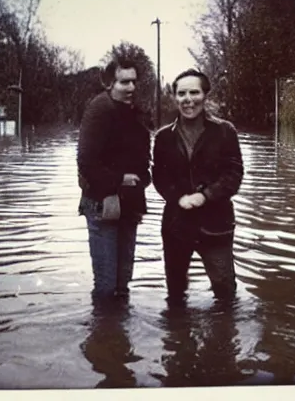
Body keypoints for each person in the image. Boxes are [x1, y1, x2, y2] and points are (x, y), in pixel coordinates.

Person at [152, 68, 244, 305]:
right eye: (181, 94)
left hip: (216, 224)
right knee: (175, 295)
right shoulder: (163, 137)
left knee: (225, 293)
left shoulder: (225, 131)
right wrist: (178, 198)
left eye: (194, 92)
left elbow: (233, 175)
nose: (188, 99)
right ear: (175, 98)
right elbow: (159, 178)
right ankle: (178, 339)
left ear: (205, 96)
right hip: (176, 224)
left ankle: (224, 339)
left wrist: (205, 196)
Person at [77, 56, 151, 305]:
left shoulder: (135, 113)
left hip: (129, 204)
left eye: (133, 82)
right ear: (110, 83)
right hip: (102, 203)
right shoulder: (99, 109)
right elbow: (86, 162)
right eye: (123, 82)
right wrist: (119, 179)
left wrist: (144, 176)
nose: (130, 88)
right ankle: (102, 337)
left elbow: (142, 157)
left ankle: (118, 338)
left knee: (122, 285)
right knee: (107, 286)